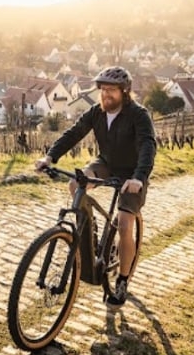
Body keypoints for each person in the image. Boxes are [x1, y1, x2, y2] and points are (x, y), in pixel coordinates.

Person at [34, 66, 157, 308]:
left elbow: (147, 146)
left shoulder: (138, 115)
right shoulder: (97, 112)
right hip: (107, 163)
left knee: (124, 224)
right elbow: (74, 133)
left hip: (132, 173)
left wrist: (139, 177)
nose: (106, 94)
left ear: (124, 92)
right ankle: (90, 232)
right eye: (103, 89)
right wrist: (50, 157)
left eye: (112, 90)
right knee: (76, 184)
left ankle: (122, 280)